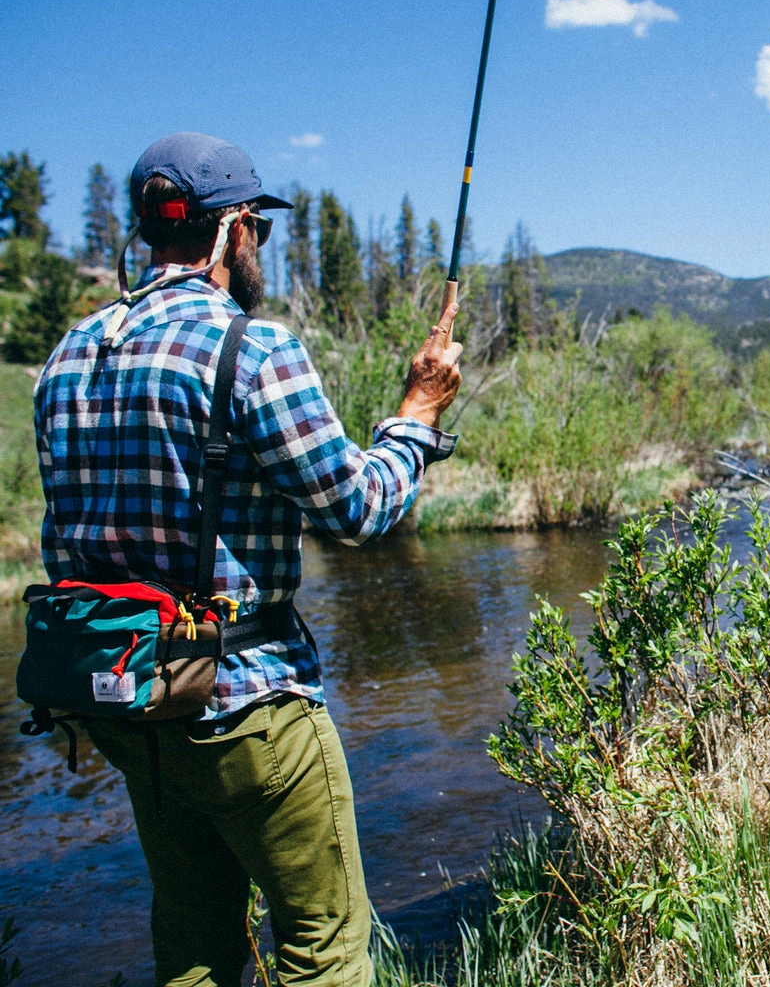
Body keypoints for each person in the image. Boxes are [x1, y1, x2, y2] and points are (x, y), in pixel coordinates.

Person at [32, 131, 462, 987]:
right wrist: (418, 411)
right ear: (232, 230)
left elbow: (66, 542)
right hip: (248, 704)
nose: (261, 243)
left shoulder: (67, 356)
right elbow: (360, 509)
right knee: (326, 952)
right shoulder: (251, 349)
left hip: (129, 703)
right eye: (257, 226)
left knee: (193, 948)